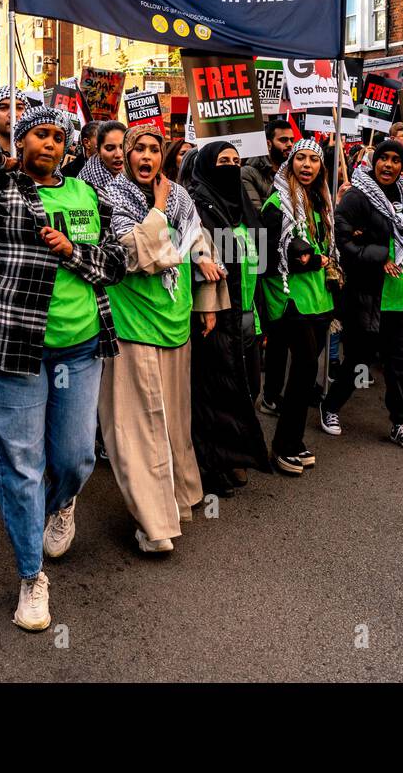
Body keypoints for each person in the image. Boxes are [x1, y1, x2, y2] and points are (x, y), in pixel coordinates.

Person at [0, 106, 126, 630]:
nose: (50, 144)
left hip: (80, 346)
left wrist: (72, 251)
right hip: (11, 349)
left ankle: (62, 503)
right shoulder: (1, 191)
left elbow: (114, 263)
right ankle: (31, 575)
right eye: (39, 135)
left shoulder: (90, 194)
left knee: (73, 459)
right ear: (20, 142)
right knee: (21, 466)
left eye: (59, 138)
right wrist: (3, 150)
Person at [100, 125, 221, 551]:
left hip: (174, 322)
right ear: (127, 156)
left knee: (172, 422)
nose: (147, 156)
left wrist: (206, 302)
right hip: (132, 326)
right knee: (137, 428)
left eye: (155, 149)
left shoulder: (181, 197)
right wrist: (158, 208)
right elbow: (135, 256)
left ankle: (179, 500)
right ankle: (155, 527)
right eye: (139, 149)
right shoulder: (110, 199)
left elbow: (198, 245)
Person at [322, 138, 403, 450]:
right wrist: (381, 255)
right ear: (374, 161)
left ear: (402, 165)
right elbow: (342, 240)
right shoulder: (357, 196)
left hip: (401, 293)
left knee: (400, 363)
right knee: (359, 360)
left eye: (396, 160)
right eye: (384, 158)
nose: (389, 165)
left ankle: (398, 423)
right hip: (369, 294)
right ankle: (331, 407)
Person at [188, 141, 271, 494]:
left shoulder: (245, 210)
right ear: (207, 165)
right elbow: (192, 256)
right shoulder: (197, 207)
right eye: (223, 161)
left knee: (248, 385)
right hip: (217, 317)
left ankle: (233, 454)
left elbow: (262, 262)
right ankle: (211, 465)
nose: (232, 166)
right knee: (215, 393)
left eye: (237, 161)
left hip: (249, 316)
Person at [259, 139, 335, 473]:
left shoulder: (321, 201)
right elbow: (265, 260)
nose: (307, 165)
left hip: (319, 298)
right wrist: (309, 261)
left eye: (313, 160)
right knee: (304, 368)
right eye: (300, 158)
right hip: (289, 298)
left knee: (306, 377)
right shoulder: (277, 204)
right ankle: (283, 446)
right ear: (290, 164)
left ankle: (294, 440)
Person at [243, 119, 294, 211]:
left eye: (292, 140)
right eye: (283, 140)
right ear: (268, 144)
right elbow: (257, 212)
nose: (290, 144)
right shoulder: (247, 173)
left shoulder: (294, 171)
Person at [77, 120, 126, 191]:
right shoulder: (83, 186)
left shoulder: (137, 174)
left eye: (123, 147)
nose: (118, 154)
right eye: (110, 148)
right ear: (99, 150)